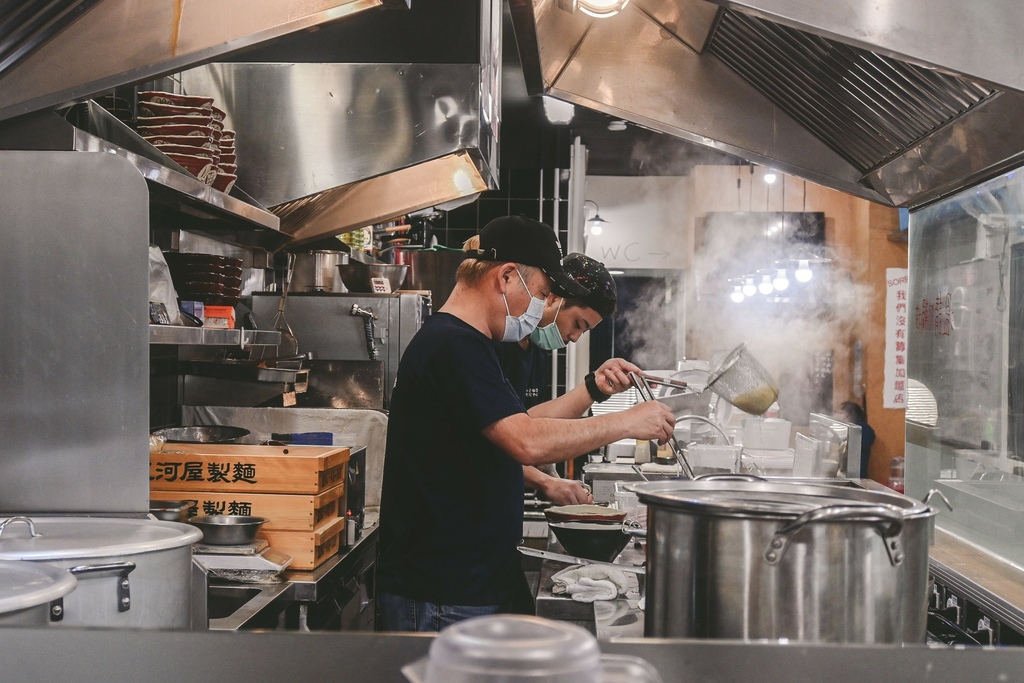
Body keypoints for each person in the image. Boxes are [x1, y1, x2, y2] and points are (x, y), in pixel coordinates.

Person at [377, 215, 676, 632]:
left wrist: (594, 391)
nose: (541, 308)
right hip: (440, 590)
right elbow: (527, 441)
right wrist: (626, 422)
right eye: (542, 294)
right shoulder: (453, 345)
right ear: (505, 278)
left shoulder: (469, 344)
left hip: (467, 579)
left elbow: (516, 425)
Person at [463, 238, 635, 506]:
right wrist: (544, 481)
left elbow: (528, 420)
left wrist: (594, 386)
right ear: (553, 298)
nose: (575, 338)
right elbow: (500, 442)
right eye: (578, 324)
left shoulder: (534, 351)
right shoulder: (487, 345)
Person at [840, 401, 875, 478]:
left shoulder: (863, 428)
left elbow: (864, 444)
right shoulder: (848, 427)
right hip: (846, 473)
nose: (841, 417)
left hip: (857, 475)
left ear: (848, 415)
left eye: (842, 413)